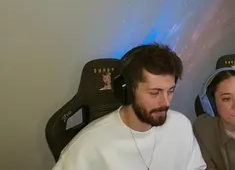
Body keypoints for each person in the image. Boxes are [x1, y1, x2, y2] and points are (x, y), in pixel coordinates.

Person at [54, 43, 205, 170]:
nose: (165, 102)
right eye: (154, 93)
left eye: (170, 91)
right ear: (127, 91)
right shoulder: (88, 146)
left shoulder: (181, 126)